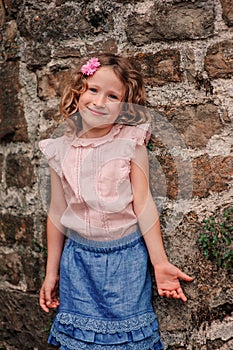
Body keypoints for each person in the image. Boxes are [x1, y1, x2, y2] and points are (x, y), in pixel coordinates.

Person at [39, 53, 194, 350]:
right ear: (77, 90)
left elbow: (143, 203)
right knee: (80, 341)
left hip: (126, 260)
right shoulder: (59, 149)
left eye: (113, 96)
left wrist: (159, 263)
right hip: (78, 262)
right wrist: (51, 272)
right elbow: (57, 213)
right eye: (93, 90)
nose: (99, 102)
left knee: (126, 341)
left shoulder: (130, 141)